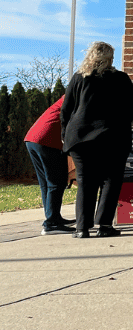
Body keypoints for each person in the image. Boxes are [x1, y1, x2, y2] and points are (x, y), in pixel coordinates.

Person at [60, 41, 133, 239]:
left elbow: (66, 109)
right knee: (111, 180)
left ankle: (82, 229)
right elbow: (132, 108)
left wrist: (65, 135)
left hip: (80, 137)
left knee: (85, 182)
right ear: (111, 58)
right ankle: (104, 226)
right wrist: (120, 123)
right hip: (113, 136)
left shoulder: (78, 78)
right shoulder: (120, 78)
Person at [24, 96, 74, 235]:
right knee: (56, 181)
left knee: (46, 183)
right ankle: (51, 223)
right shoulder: (79, 95)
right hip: (47, 139)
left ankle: (53, 218)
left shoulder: (70, 94)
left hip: (33, 138)